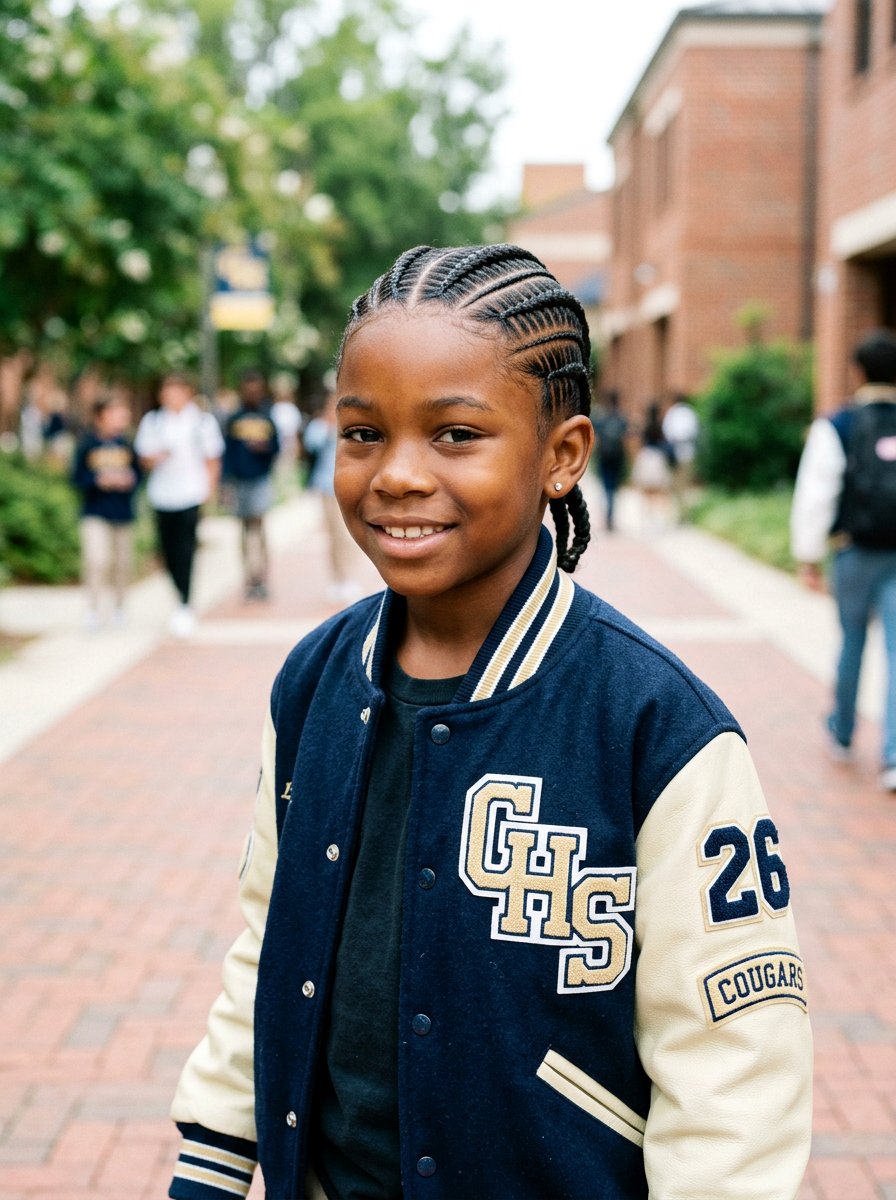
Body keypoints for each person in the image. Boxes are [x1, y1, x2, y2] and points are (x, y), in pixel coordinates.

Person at [168, 244, 812, 1200]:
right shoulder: (312, 684)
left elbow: (738, 1077)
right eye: (362, 434)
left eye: (456, 435)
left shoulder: (656, 725)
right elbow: (270, 942)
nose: (396, 475)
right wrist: (212, 1164)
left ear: (562, 456)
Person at [791, 328, 896, 793]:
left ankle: (843, 731)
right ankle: (892, 755)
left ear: (858, 371)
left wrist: (808, 556)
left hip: (854, 552)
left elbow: (817, 494)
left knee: (852, 642)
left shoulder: (838, 425)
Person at [135, 371, 224, 638]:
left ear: (187, 393)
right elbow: (143, 458)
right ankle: (179, 596)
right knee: (167, 551)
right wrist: (157, 457)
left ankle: (185, 603)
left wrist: (209, 490)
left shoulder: (201, 422)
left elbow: (212, 458)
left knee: (186, 550)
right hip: (162, 496)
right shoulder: (153, 422)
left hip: (190, 495)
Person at [70, 396, 140, 630]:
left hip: (122, 513)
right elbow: (76, 477)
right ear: (101, 417)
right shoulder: (87, 444)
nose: (120, 419)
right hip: (95, 512)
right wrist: (98, 480)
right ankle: (92, 611)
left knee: (122, 564)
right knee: (96, 560)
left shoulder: (127, 444)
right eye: (114, 413)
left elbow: (139, 474)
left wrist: (129, 480)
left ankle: (119, 608)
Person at [302, 381, 364, 605]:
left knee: (346, 535)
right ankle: (337, 578)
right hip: (325, 487)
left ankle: (349, 578)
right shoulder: (320, 426)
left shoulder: (350, 425)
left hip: (346, 487)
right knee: (332, 536)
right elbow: (311, 444)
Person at [223, 368, 280, 601]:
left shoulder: (267, 418)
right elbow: (227, 452)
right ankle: (249, 577)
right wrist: (225, 484)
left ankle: (261, 577)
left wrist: (264, 448)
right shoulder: (234, 419)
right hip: (239, 481)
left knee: (258, 526)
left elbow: (276, 448)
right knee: (245, 530)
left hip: (260, 479)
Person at [630, 401, 674, 531]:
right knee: (659, 491)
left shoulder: (645, 425)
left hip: (646, 456)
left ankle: (647, 518)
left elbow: (639, 441)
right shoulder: (660, 426)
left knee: (646, 491)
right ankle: (658, 519)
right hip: (658, 458)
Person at [592, 389, 628, 531]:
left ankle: (608, 514)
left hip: (604, 457)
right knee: (613, 488)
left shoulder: (602, 419)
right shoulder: (621, 419)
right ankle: (610, 515)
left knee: (605, 487)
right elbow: (626, 441)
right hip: (617, 458)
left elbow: (596, 438)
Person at [662, 393, 700, 521]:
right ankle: (684, 514)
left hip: (675, 453)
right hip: (688, 452)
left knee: (675, 486)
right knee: (685, 485)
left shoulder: (672, 413)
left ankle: (680, 514)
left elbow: (667, 433)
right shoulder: (690, 412)